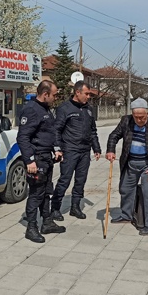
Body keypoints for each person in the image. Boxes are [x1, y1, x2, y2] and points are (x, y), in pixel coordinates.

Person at [106, 97, 148, 236]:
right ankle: (126, 215)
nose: (139, 120)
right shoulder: (126, 121)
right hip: (131, 162)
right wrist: (110, 150)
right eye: (136, 117)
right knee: (125, 189)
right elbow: (114, 135)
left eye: (142, 117)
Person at [16, 80, 66, 243]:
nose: (55, 98)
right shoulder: (31, 110)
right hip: (36, 160)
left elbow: (49, 133)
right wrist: (30, 161)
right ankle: (31, 227)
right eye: (54, 95)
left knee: (46, 193)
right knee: (36, 194)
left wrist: (56, 148)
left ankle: (47, 222)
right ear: (45, 94)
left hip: (46, 158)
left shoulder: (46, 109)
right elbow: (23, 137)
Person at [51, 81, 101, 220]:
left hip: (84, 152)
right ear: (77, 92)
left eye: (89, 94)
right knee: (64, 180)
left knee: (81, 180)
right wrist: (58, 148)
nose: (88, 96)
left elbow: (93, 131)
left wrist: (96, 148)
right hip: (70, 150)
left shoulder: (89, 110)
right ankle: (55, 208)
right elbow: (57, 130)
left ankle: (75, 207)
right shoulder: (64, 108)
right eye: (86, 93)